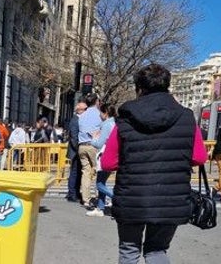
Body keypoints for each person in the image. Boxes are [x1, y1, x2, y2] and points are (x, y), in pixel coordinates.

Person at [101, 63, 208, 264]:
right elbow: (200, 157)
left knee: (129, 251)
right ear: (167, 86)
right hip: (171, 199)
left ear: (139, 88)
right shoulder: (186, 117)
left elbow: (107, 163)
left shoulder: (125, 119)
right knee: (157, 251)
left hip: (132, 198)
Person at [86, 103, 117, 217]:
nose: (99, 115)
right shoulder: (115, 123)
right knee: (102, 181)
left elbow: (99, 143)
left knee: (99, 184)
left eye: (101, 112)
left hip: (104, 154)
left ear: (106, 113)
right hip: (113, 155)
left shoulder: (106, 125)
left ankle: (117, 198)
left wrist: (93, 138)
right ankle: (100, 207)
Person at [78, 93, 102, 207]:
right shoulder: (99, 114)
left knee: (86, 172)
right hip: (94, 146)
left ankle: (86, 199)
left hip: (82, 145)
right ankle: (99, 196)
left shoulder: (82, 115)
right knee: (98, 171)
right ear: (96, 102)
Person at [66, 102, 87, 203]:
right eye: (85, 109)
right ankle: (72, 193)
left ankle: (76, 192)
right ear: (79, 110)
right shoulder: (75, 120)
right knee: (74, 172)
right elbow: (74, 137)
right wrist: (78, 148)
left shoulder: (81, 119)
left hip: (78, 149)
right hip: (75, 151)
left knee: (78, 172)